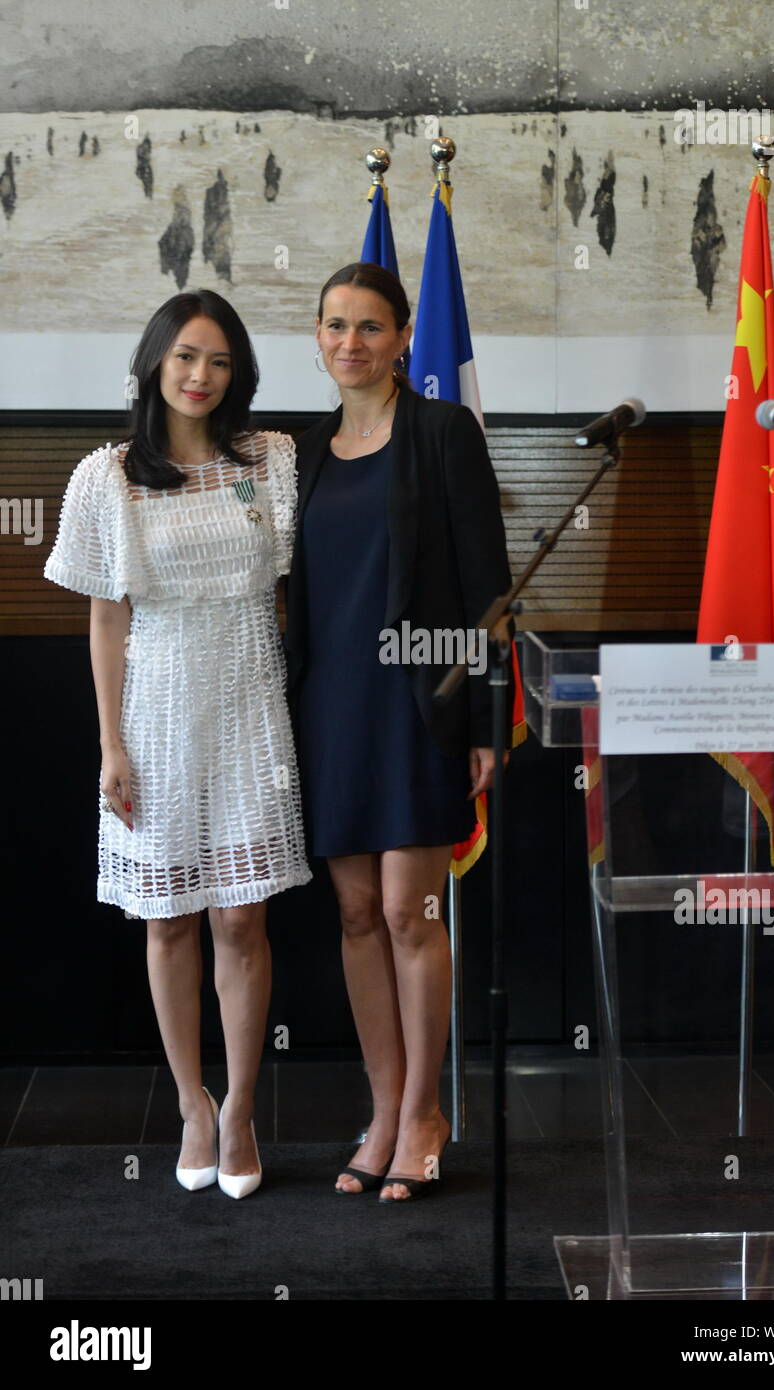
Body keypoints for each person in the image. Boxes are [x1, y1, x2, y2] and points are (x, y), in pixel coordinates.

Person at [44, 290, 311, 1200]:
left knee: (242, 915)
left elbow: (293, 593)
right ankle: (191, 1105)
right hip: (154, 710)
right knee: (168, 918)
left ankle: (240, 1107)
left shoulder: (269, 462)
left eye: (222, 361)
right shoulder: (106, 477)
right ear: (156, 361)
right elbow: (106, 622)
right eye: (188, 357)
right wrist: (112, 744)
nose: (202, 376)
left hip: (249, 704)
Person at [283, 262, 514, 1201]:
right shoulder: (297, 452)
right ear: (318, 335)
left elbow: (489, 586)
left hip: (418, 702)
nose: (351, 342)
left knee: (412, 914)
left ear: (403, 336)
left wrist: (486, 718)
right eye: (335, 325)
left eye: (370, 327)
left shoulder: (442, 432)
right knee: (353, 914)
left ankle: (425, 1111)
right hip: (328, 708)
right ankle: (382, 1111)